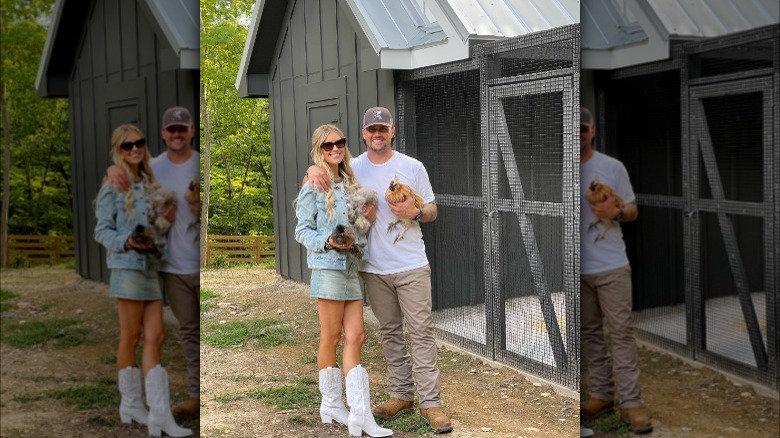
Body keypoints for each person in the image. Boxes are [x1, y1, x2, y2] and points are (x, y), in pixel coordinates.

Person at [307, 107, 452, 434]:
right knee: (389, 333)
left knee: (421, 332)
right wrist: (311, 171)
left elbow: (432, 209)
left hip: (411, 264)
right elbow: (322, 171)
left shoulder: (412, 167)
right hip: (373, 268)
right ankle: (401, 394)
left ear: (392, 131)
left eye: (382, 128)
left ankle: (431, 403)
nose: (377, 133)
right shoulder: (352, 168)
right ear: (363, 134)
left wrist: (416, 212)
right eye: (371, 129)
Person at [94, 124, 192, 437]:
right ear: (118, 151)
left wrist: (165, 222)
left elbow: (156, 228)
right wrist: (127, 240)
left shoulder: (149, 182)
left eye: (138, 143)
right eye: (127, 146)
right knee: (131, 337)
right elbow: (101, 230)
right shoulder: (113, 184)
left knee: (157, 336)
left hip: (150, 268)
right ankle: (132, 405)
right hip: (127, 269)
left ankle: (160, 415)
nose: (134, 148)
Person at [295, 124, 391, 438]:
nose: (335, 148)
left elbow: (358, 228)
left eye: (339, 142)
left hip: (351, 268)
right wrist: (328, 241)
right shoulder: (314, 184)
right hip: (328, 269)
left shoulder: (351, 183)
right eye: (327, 146)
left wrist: (367, 218)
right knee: (331, 337)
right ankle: (333, 405)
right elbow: (301, 230)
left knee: (357, 335)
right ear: (318, 150)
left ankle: (360, 414)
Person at [579, 106, 652, 434]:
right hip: (577, 269)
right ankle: (602, 395)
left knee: (621, 333)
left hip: (611, 266)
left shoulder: (612, 167)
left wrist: (616, 212)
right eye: (574, 128)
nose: (579, 133)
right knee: (591, 334)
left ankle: (631, 402)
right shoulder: (562, 168)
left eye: (584, 128)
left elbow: (633, 209)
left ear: (593, 131)